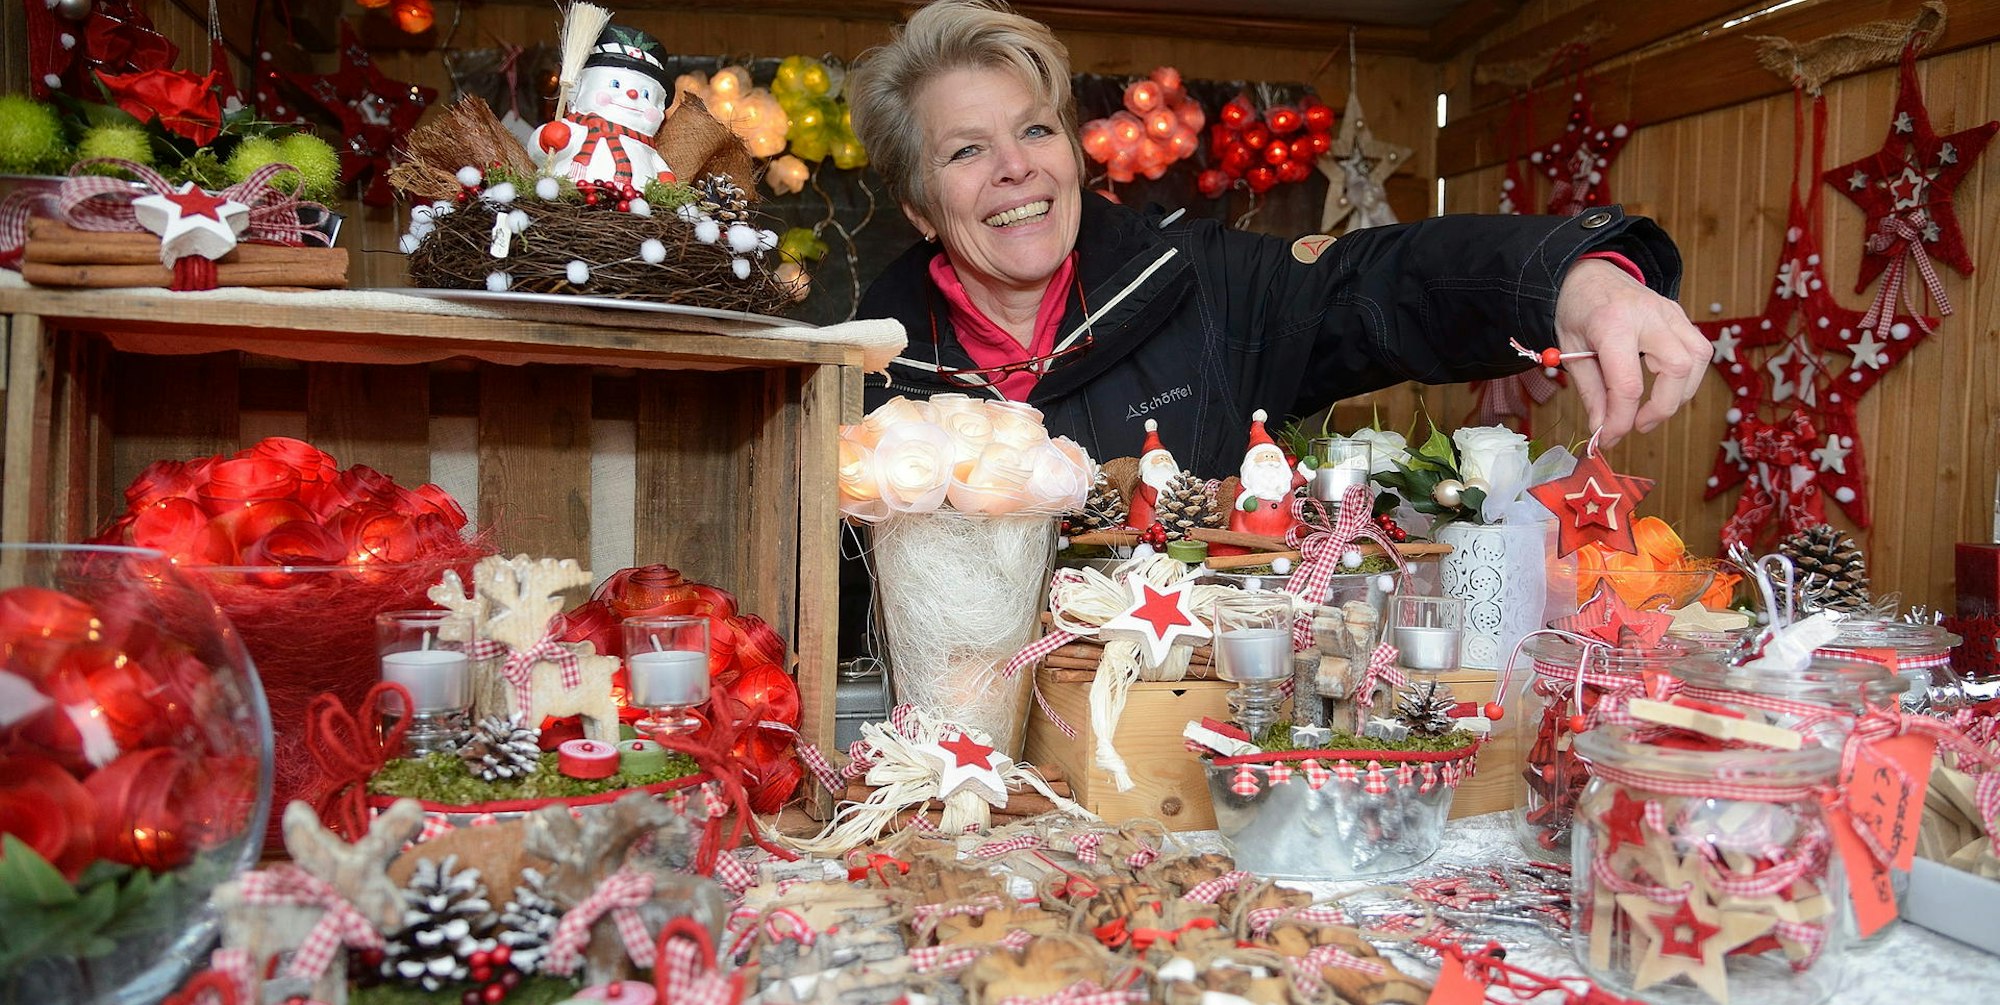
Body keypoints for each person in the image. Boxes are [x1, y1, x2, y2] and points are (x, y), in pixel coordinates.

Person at [836, 0, 1710, 656]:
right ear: (919, 205)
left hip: (1182, 753)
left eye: (1035, 129)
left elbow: (1378, 281)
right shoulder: (859, 376)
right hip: (952, 768)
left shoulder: (1204, 285)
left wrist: (1569, 280)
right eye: (966, 149)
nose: (1015, 166)